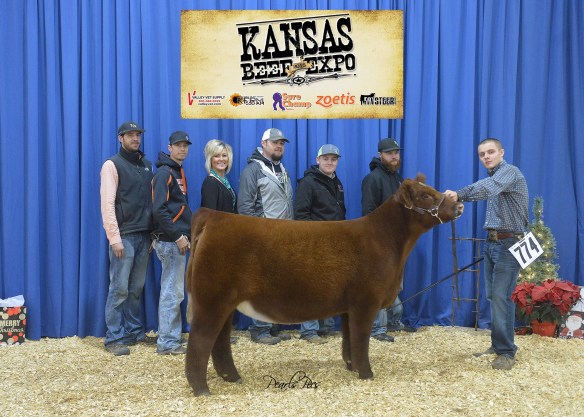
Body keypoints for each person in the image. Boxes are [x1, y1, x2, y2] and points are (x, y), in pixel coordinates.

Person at [445, 138, 528, 371]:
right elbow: (486, 187)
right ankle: (499, 344)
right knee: (494, 296)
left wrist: (458, 195)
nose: (486, 157)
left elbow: (487, 188)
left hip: (509, 243)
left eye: (490, 152)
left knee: (501, 297)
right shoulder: (495, 177)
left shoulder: (509, 173)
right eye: (482, 154)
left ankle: (506, 351)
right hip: (493, 242)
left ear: (502, 152)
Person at [100, 121, 156, 356]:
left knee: (136, 288)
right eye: (130, 135)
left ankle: (133, 331)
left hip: (144, 235)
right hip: (124, 236)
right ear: (120, 138)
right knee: (119, 288)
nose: (135, 138)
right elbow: (107, 203)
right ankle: (114, 337)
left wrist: (153, 234)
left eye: (138, 135)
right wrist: (114, 238)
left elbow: (151, 201)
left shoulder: (147, 165)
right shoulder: (112, 165)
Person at [237, 127, 295, 345]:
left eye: (282, 143)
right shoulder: (253, 170)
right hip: (263, 237)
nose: (279, 146)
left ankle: (272, 326)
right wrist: (256, 236)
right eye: (275, 142)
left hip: (282, 236)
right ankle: (259, 329)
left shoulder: (281, 169)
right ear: (263, 143)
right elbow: (245, 207)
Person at [362, 138, 416, 343]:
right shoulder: (373, 179)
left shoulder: (398, 179)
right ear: (380, 155)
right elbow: (368, 213)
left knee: (395, 284)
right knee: (380, 284)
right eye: (389, 153)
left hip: (397, 241)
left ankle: (393, 321)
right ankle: (377, 328)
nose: (394, 156)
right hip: (380, 241)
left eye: (396, 152)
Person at [294, 144, 347, 344]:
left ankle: (325, 326)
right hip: (314, 243)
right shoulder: (308, 183)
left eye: (333, 159)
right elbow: (301, 215)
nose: (329, 162)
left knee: (330, 286)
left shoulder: (337, 183)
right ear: (318, 160)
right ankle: (309, 330)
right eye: (326, 158)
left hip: (334, 243)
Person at [151, 131, 193, 355]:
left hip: (176, 239)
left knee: (174, 291)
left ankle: (171, 338)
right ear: (170, 148)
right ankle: (167, 342)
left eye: (185, 145)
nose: (182, 149)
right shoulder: (164, 173)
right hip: (170, 241)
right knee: (171, 291)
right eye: (178, 145)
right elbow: (158, 210)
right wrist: (177, 236)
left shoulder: (177, 170)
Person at [200, 139, 238, 344]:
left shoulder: (225, 182)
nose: (221, 159)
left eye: (224, 155)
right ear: (210, 159)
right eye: (217, 156)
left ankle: (221, 331)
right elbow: (210, 219)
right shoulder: (211, 183)